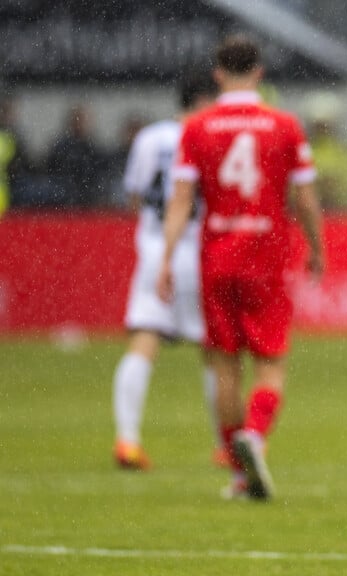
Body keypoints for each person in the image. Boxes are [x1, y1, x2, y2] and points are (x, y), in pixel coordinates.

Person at [158, 34, 324, 501]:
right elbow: (306, 198)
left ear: (217, 74)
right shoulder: (284, 125)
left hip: (216, 259)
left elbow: (180, 201)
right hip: (266, 256)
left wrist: (167, 258)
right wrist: (316, 246)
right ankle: (254, 433)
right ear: (259, 73)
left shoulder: (197, 127)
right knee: (270, 364)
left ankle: (237, 470)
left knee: (224, 366)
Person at [112, 68, 220, 470]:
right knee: (215, 351)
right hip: (198, 248)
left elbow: (135, 196)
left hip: (155, 247)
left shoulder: (148, 138)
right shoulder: (210, 134)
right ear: (206, 100)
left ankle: (127, 441)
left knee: (144, 339)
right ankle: (224, 444)